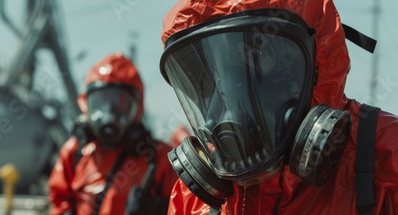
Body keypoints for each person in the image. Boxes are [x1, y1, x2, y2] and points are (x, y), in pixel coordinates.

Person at [158, 0, 398, 214]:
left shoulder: (386, 157)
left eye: (256, 56)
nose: (231, 91)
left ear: (316, 62)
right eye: (216, 74)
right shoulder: (193, 201)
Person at [48, 53, 178, 215]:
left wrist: (158, 209)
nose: (109, 117)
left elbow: (184, 205)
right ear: (87, 104)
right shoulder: (75, 152)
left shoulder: (159, 158)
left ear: (137, 109)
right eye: (101, 104)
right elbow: (59, 198)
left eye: (119, 107)